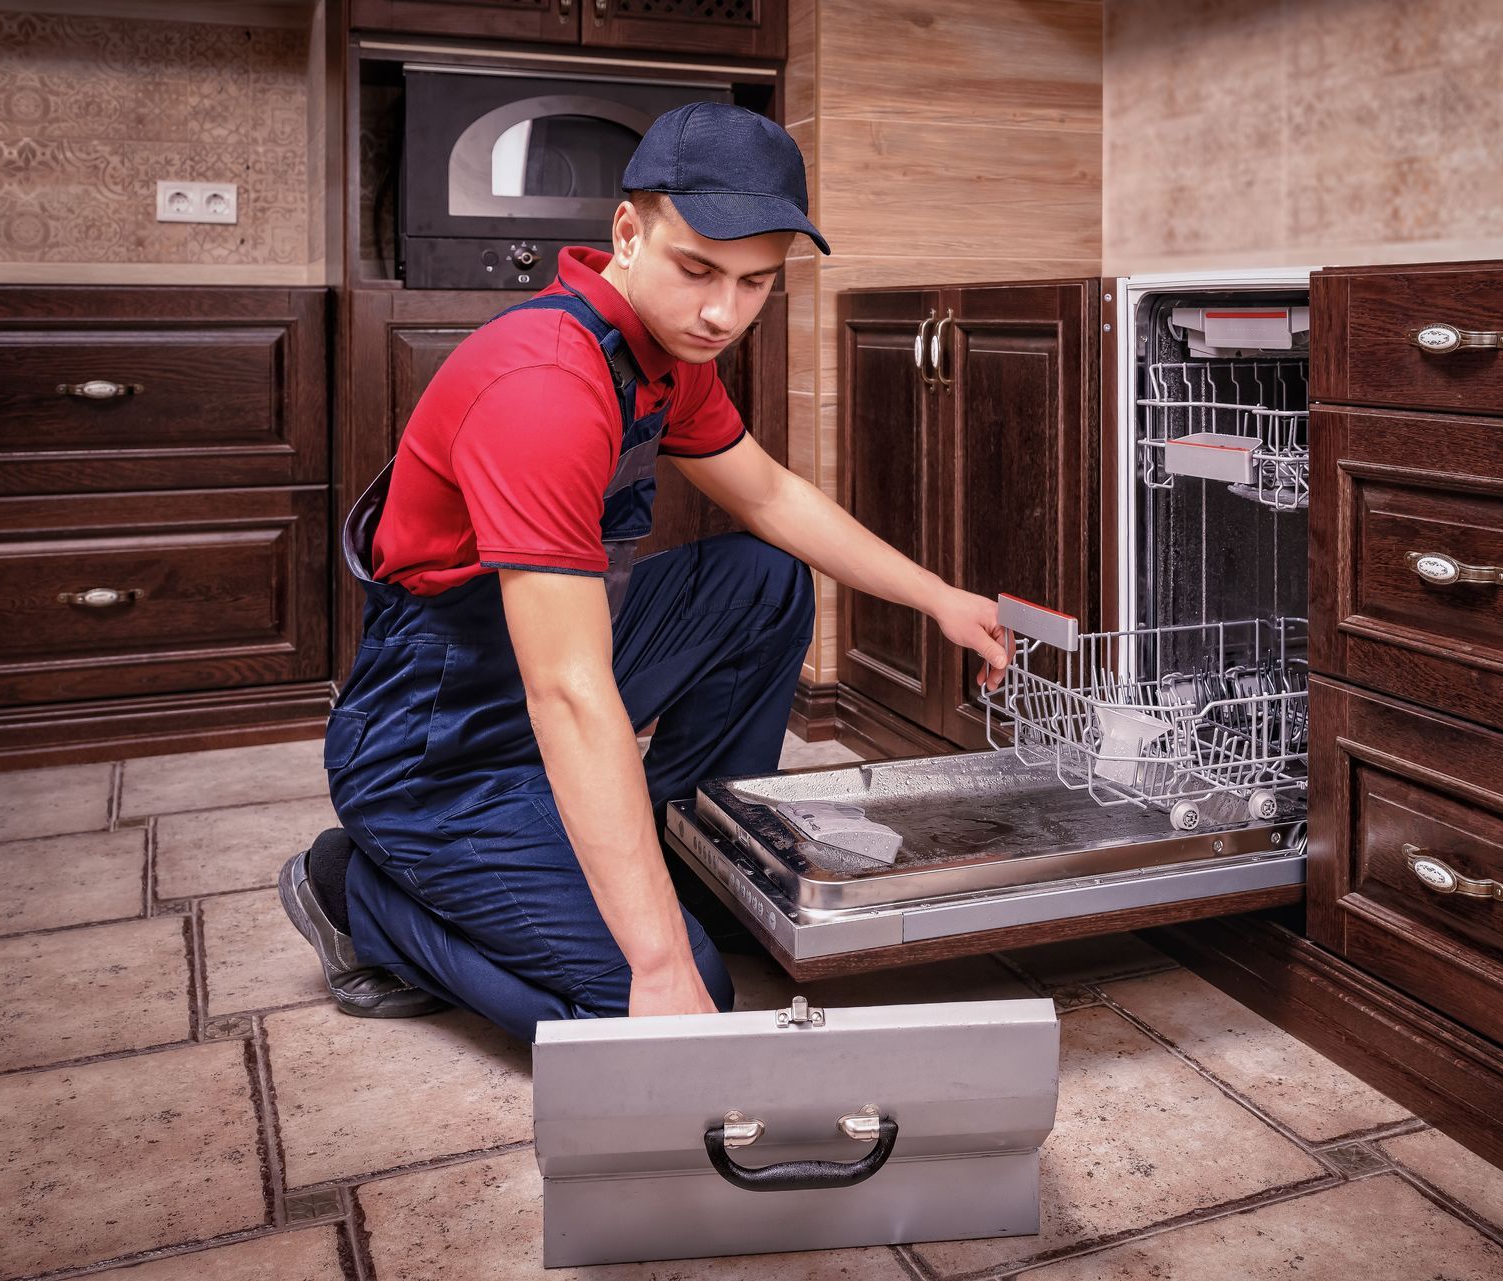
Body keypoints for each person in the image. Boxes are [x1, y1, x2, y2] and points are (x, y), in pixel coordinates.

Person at [277, 103, 1009, 1041]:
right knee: (668, 994)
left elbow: (770, 498)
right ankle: (360, 897)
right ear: (628, 232)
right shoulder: (544, 385)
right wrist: (659, 961)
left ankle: (684, 858)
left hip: (536, 681)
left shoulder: (664, 351)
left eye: (756, 284)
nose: (722, 311)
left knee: (761, 575)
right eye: (698, 269)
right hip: (438, 748)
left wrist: (938, 598)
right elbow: (568, 695)